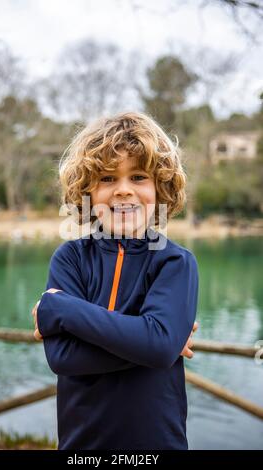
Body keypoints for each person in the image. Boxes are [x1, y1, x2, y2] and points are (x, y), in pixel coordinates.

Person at [31, 111, 199, 450]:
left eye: (138, 177)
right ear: (87, 191)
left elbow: (160, 346)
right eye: (107, 178)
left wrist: (60, 308)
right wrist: (152, 342)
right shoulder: (71, 258)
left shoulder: (175, 262)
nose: (123, 191)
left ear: (160, 187)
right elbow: (63, 357)